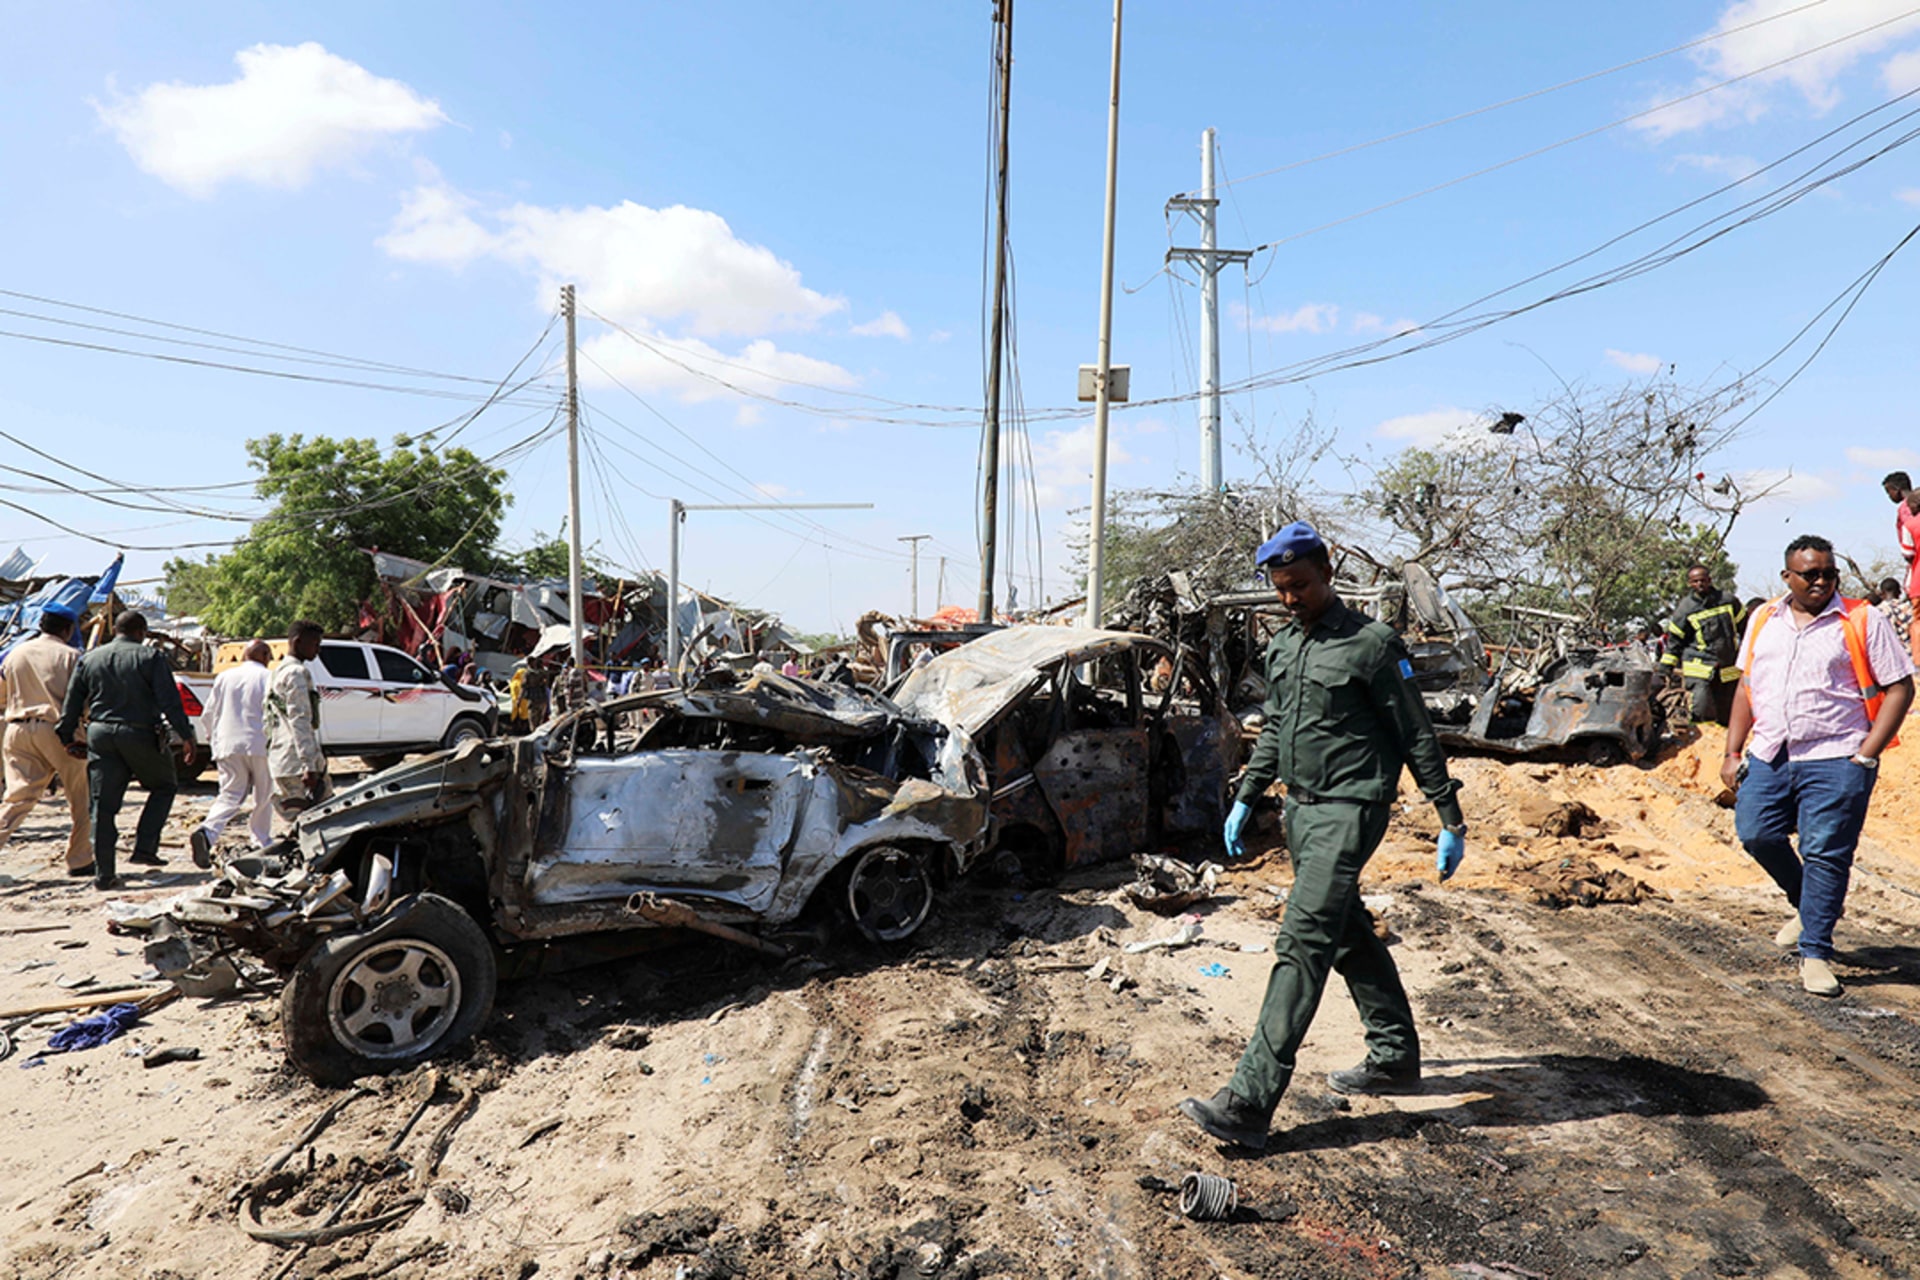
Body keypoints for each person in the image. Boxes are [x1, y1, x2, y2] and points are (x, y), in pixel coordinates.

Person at [1178, 522, 1467, 1151]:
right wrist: (1247, 796)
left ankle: (1249, 1101)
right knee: (1344, 930)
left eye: (1300, 586)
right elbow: (1277, 727)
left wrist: (1449, 815)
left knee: (1302, 939)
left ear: (1328, 574)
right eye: (1280, 589)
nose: (1290, 598)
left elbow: (1415, 733)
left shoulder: (1371, 644)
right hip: (1300, 812)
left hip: (1351, 808)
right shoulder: (1283, 648)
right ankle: (1393, 1056)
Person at [1722, 534, 1914, 997]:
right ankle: (1809, 904)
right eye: (1810, 574)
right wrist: (1731, 751)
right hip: (1770, 752)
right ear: (1787, 576)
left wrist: (1866, 754)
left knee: (1826, 852)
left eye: (1829, 573)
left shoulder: (1862, 619)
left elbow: (1901, 688)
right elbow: (1747, 687)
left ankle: (1815, 952)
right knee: (1756, 833)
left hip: (1837, 755)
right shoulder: (1763, 618)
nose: (1821, 581)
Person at [54, 610, 195, 890]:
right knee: (164, 785)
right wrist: (186, 735)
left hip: (101, 734)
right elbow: (169, 700)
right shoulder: (150, 657)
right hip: (140, 733)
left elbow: (71, 703)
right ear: (141, 632)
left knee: (102, 807)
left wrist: (67, 736)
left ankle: (105, 875)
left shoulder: (90, 658)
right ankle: (144, 847)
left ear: (116, 630)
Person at [0, 603, 93, 875]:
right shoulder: (72, 656)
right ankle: (79, 859)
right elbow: (83, 701)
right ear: (68, 629)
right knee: (81, 798)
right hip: (59, 732)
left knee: (17, 800)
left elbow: (1, 696)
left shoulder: (15, 654)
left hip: (16, 730)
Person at [189, 639, 274, 866]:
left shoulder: (224, 677)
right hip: (260, 744)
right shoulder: (269, 678)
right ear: (266, 656)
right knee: (264, 797)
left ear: (244, 655)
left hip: (228, 744)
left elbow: (208, 714)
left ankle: (207, 833)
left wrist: (212, 737)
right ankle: (261, 841)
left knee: (229, 795)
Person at [1659, 563, 1746, 726]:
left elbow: (1746, 628)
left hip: (1728, 667)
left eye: (1703, 580)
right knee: (1702, 707)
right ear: (1689, 584)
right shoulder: (1685, 609)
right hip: (1699, 667)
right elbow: (1675, 641)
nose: (1699, 584)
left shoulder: (1728, 601)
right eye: (1695, 582)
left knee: (1729, 713)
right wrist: (1665, 667)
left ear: (1710, 580)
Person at [266, 620, 330, 826]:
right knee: (320, 821)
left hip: (281, 760)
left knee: (301, 823)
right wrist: (308, 765)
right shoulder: (296, 674)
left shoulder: (276, 673)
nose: (317, 650)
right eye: (315, 644)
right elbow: (300, 719)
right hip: (297, 765)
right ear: (297, 641)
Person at [1884, 471, 1920, 665]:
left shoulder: (1907, 510)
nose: (1890, 496)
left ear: (1896, 490)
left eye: (1889, 491)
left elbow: (1909, 550)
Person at [1876, 576, 1914, 650]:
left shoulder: (1877, 612)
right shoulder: (1908, 609)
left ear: (1882, 593)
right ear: (1899, 592)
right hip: (1911, 653)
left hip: (1890, 655)